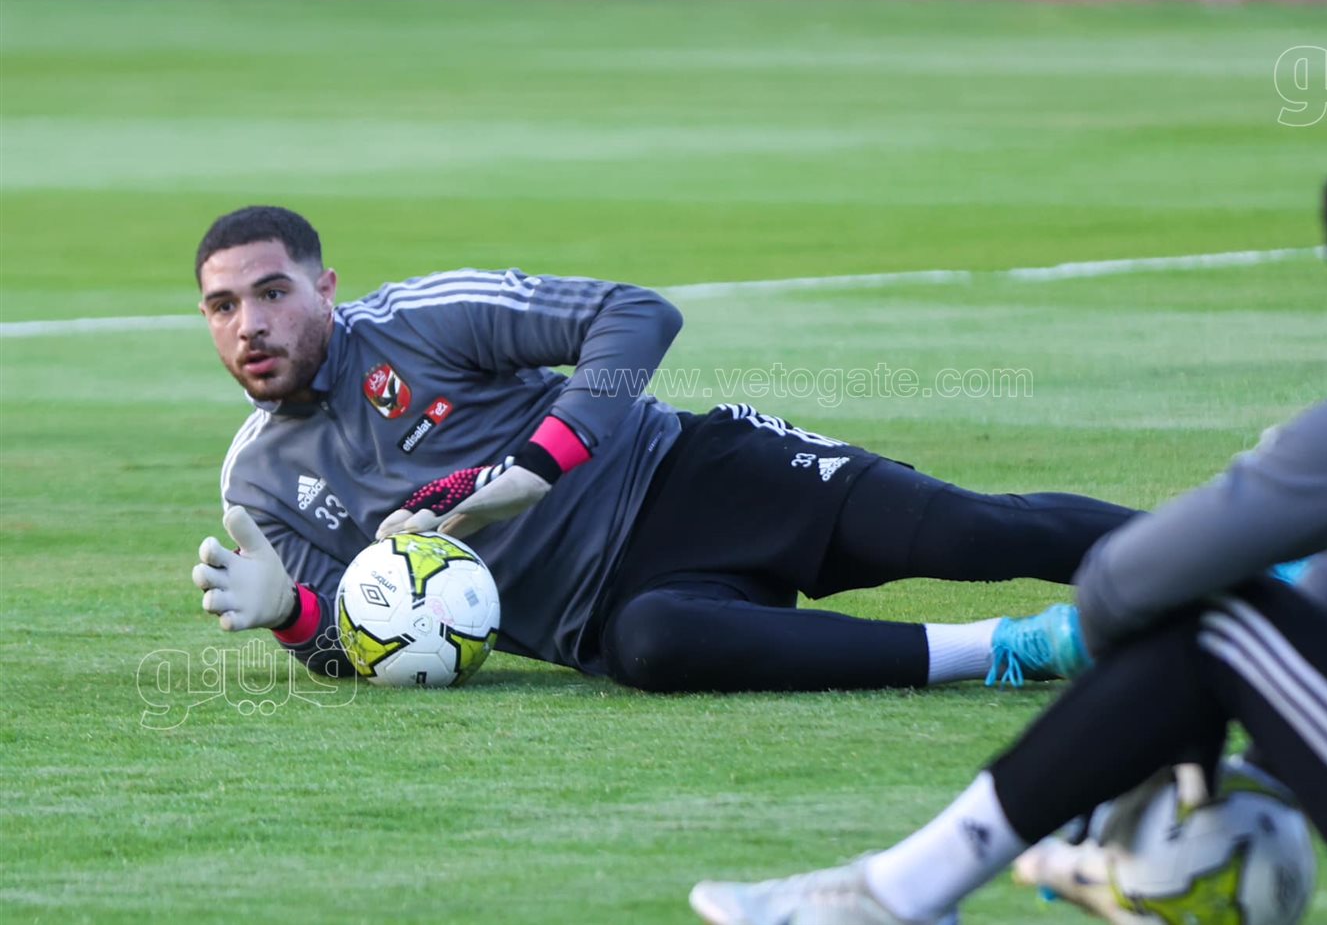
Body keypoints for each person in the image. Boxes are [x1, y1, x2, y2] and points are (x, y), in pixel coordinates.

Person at [688, 137, 1327, 925]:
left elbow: (1122, 582)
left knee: (1218, 620)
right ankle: (1215, 815)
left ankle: (896, 894)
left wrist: (1138, 744)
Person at [188, 205, 1135, 693]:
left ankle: (1212, 549)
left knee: (969, 532)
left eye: (272, 293)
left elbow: (636, 314)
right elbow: (365, 640)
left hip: (696, 475)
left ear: (326, 288)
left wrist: (539, 464)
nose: (250, 325)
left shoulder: (422, 319)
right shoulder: (255, 482)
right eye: (223, 307)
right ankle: (1010, 650)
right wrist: (293, 615)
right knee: (656, 649)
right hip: (609, 614)